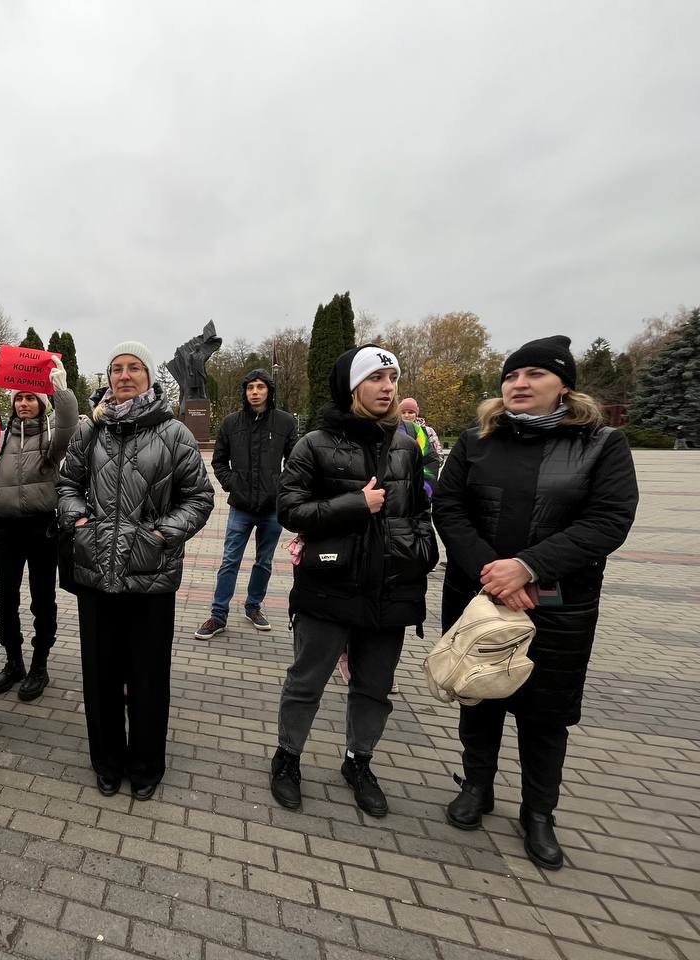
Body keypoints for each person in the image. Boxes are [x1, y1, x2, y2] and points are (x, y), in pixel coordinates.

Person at [433, 335, 638, 870]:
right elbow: (449, 508)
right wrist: (493, 572)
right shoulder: (477, 440)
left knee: (545, 713)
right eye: (511, 376)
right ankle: (476, 787)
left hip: (559, 605)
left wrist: (527, 567)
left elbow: (609, 520)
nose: (519, 384)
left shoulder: (601, 445)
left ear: (564, 384)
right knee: (478, 695)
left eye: (534, 374)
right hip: (479, 596)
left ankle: (539, 812)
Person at [271, 345, 437, 818]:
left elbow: (421, 510)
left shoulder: (407, 446)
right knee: (307, 681)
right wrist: (355, 505)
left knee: (374, 688)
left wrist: (423, 554)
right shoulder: (314, 444)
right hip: (329, 584)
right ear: (351, 387)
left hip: (391, 587)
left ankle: (358, 761)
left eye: (392, 378)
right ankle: (287, 757)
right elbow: (289, 510)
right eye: (376, 378)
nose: (387, 387)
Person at [57, 342, 213, 799]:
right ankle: (106, 761)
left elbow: (199, 498)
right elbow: (67, 484)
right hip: (95, 572)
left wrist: (160, 535)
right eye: (116, 369)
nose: (124, 376)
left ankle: (145, 765)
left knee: (148, 677)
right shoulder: (91, 430)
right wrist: (79, 522)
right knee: (100, 675)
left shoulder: (174, 432)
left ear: (149, 376)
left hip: (150, 575)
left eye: (134, 368)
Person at [0, 363, 78, 701]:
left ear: (41, 403)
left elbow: (69, 425)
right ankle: (14, 661)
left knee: (42, 599)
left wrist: (62, 391)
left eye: (31, 398)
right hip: (5, 527)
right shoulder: (1, 438)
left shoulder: (51, 438)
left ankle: (40, 664)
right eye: (19, 398)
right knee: (4, 598)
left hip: (42, 527)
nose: (24, 403)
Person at [195, 368, 297, 639]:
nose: (255, 392)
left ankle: (253, 606)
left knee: (264, 562)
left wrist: (280, 486)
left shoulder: (285, 422)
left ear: (269, 391)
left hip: (272, 508)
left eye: (260, 387)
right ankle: (218, 615)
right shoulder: (231, 423)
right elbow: (219, 460)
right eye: (250, 387)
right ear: (245, 392)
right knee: (230, 560)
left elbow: (295, 462)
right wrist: (232, 483)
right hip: (240, 506)